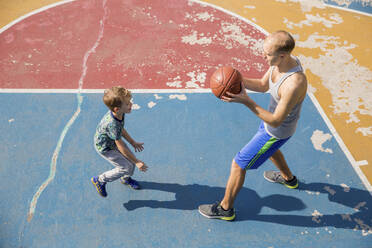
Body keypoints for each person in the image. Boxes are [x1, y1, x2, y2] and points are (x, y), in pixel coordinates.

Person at [199, 30, 308, 221]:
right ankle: (289, 179)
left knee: (238, 164)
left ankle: (226, 209)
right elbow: (263, 85)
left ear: (282, 55)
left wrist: (246, 101)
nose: (263, 56)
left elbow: (275, 120)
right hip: (270, 126)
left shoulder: (294, 83)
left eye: (267, 53)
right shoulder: (281, 63)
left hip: (275, 130)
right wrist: (235, 80)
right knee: (272, 151)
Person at [91, 86, 148, 197]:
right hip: (106, 148)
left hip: (112, 141)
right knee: (127, 166)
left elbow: (121, 129)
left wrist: (132, 142)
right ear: (117, 108)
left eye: (129, 102)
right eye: (127, 104)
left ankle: (125, 179)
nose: (130, 104)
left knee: (130, 165)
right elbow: (120, 144)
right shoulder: (112, 124)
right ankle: (100, 180)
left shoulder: (119, 114)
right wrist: (137, 162)